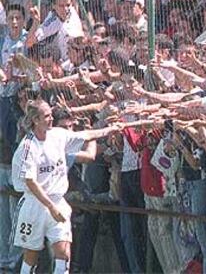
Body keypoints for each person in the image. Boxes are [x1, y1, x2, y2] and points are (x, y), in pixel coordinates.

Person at [11, 99, 125, 274]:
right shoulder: (28, 147)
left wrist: (111, 129)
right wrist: (50, 207)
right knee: (31, 256)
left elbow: (87, 136)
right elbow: (30, 181)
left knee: (64, 252)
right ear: (35, 120)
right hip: (35, 205)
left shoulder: (57, 135)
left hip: (59, 202)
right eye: (47, 116)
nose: (51, 119)